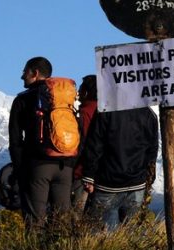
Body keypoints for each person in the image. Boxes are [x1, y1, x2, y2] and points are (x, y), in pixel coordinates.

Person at [8, 56, 74, 226]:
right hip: (65, 165)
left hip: (38, 166)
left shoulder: (23, 99)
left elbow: (15, 139)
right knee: (62, 222)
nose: (22, 76)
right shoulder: (64, 99)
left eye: (25, 72)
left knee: (35, 221)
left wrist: (19, 170)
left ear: (35, 73)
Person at [81, 106, 159, 230]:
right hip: (137, 184)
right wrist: (148, 179)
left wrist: (89, 175)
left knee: (103, 238)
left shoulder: (105, 108)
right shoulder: (149, 113)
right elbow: (152, 151)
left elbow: (94, 145)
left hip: (108, 184)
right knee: (133, 237)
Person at [71, 75, 97, 213]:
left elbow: (85, 142)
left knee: (77, 213)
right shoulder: (106, 111)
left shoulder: (85, 112)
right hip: (105, 173)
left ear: (86, 92)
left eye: (80, 89)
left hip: (83, 172)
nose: (78, 93)